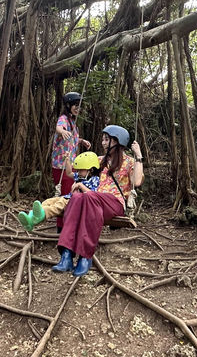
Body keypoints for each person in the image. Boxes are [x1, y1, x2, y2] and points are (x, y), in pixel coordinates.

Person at [52, 125, 144, 277]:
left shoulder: (128, 162)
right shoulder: (99, 161)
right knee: (76, 197)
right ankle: (66, 255)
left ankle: (85, 256)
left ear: (118, 141)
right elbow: (74, 173)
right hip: (92, 201)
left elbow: (137, 180)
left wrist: (138, 155)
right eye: (103, 139)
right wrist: (69, 157)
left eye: (107, 139)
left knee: (87, 196)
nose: (103, 143)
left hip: (114, 203)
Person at [17, 152, 101, 231]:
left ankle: (41, 215)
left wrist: (80, 185)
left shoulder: (95, 179)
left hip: (77, 201)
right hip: (68, 197)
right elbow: (69, 173)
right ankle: (30, 220)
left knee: (58, 205)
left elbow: (92, 194)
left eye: (81, 170)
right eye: (78, 170)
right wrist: (67, 161)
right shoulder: (79, 176)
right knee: (48, 201)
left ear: (91, 170)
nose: (78, 172)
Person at [51, 92, 91, 230]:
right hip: (60, 165)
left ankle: (68, 224)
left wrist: (82, 141)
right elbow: (58, 128)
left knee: (71, 194)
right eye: (75, 105)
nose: (77, 108)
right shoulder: (63, 119)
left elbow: (72, 138)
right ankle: (61, 227)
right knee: (64, 195)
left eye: (79, 106)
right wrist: (61, 131)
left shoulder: (74, 123)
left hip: (71, 164)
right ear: (68, 105)